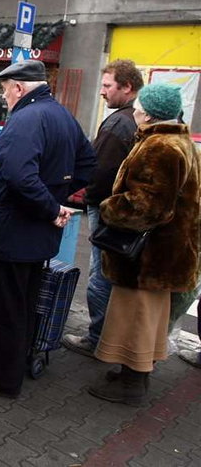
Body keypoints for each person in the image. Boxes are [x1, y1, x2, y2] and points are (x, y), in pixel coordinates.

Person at [0, 60, 96, 398]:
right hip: (36, 234)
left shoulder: (26, 119)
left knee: (4, 306)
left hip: (11, 231)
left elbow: (19, 175)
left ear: (19, 88)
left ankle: (3, 379)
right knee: (23, 302)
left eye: (6, 90)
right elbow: (87, 164)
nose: (4, 96)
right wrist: (58, 198)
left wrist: (51, 207)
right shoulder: (62, 115)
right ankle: (12, 360)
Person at [88, 83, 201, 405]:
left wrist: (110, 208)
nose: (135, 111)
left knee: (138, 318)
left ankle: (132, 383)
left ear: (149, 113)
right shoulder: (177, 141)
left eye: (139, 107)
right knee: (146, 318)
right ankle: (130, 373)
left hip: (149, 257)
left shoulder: (160, 146)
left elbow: (147, 206)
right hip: (165, 252)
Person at [62, 59, 142, 357]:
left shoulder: (119, 122)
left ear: (127, 87)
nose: (102, 92)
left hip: (107, 208)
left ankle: (97, 339)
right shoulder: (135, 119)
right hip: (122, 209)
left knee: (101, 275)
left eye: (108, 86)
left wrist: (78, 198)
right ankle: (110, 338)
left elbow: (100, 171)